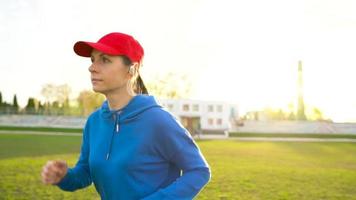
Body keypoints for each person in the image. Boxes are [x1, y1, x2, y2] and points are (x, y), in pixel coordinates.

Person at [41, 32, 211, 200]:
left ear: (133, 69)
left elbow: (198, 171)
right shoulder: (94, 122)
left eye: (105, 60)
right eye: (93, 60)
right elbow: (86, 172)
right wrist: (64, 177)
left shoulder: (158, 121)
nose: (92, 67)